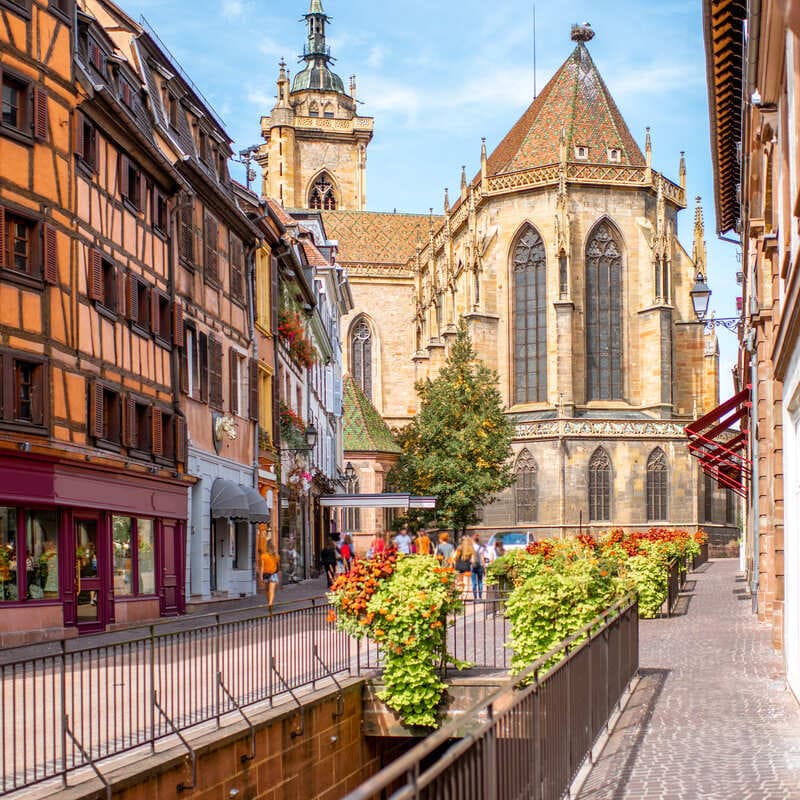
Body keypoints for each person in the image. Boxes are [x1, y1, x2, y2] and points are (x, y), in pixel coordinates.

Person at [259, 541, 280, 609]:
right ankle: (270, 604)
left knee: (267, 590)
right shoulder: (276, 556)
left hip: (266, 575)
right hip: (273, 574)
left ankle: (270, 604)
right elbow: (277, 566)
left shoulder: (263, 556)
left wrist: (261, 576)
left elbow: (262, 567)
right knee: (272, 591)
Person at [471, 533, 488, 600]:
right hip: (480, 566)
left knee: (473, 582)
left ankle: (475, 597)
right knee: (480, 581)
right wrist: (484, 567)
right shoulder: (481, 547)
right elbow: (482, 557)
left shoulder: (471, 547)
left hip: (473, 565)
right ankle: (480, 597)